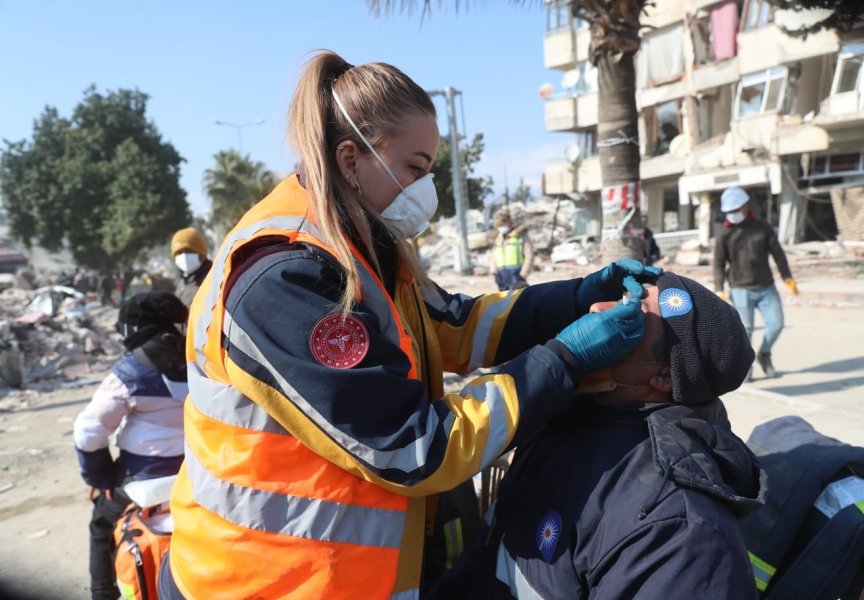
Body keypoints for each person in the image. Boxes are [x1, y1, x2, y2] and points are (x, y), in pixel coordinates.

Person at [156, 50, 662, 600]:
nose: (427, 190)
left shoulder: (361, 248)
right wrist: (563, 360)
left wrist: (575, 297)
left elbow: (454, 325)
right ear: (351, 160)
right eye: (415, 168)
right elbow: (415, 447)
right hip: (263, 579)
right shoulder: (286, 277)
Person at [431, 272, 765, 599]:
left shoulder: (676, 527)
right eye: (621, 299)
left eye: (632, 316)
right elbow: (486, 555)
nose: (596, 310)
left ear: (663, 376)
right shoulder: (564, 419)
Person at [73, 292, 188, 600]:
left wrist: (101, 477)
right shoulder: (199, 355)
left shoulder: (129, 371)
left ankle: (103, 593)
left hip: (144, 482)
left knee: (101, 524)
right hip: (197, 479)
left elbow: (89, 430)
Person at [714, 186, 797, 379]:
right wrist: (719, 288)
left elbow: (778, 253)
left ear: (745, 206)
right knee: (746, 331)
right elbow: (718, 264)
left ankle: (764, 354)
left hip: (766, 287)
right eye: (729, 211)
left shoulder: (763, 228)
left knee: (776, 324)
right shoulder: (724, 235)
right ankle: (747, 365)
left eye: (736, 210)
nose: (733, 214)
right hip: (740, 288)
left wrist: (787, 276)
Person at [490, 210, 534, 291]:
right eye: (499, 226)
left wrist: (523, 273)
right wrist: (493, 269)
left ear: (509, 222)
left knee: (518, 301)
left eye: (503, 225)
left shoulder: (521, 236)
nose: (501, 227)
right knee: (504, 301)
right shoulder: (497, 238)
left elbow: (529, 255)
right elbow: (494, 255)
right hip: (501, 275)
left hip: (516, 274)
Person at [169, 227, 213, 307]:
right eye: (179, 252)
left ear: (201, 254)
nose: (184, 256)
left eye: (188, 251)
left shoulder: (212, 281)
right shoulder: (183, 281)